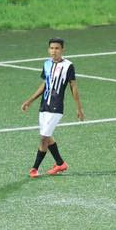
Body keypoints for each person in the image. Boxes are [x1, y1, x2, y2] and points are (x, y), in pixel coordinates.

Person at [19, 37, 83, 177]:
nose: (54, 51)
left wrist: (79, 108)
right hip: (44, 105)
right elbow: (44, 84)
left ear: (62, 50)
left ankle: (34, 168)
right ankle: (60, 163)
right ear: (48, 50)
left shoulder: (68, 66)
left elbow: (73, 87)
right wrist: (30, 100)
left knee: (44, 137)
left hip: (56, 107)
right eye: (52, 48)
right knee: (47, 137)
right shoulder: (47, 64)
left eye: (57, 48)